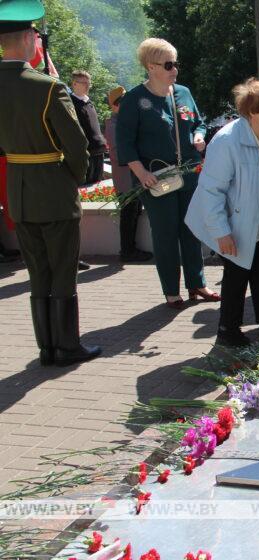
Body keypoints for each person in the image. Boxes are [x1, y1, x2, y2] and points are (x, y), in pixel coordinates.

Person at [0, 0, 101, 367]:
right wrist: (73, 178)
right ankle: (67, 346)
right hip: (54, 191)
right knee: (63, 271)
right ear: (29, 39)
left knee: (38, 273)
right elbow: (76, 146)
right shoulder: (47, 88)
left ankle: (46, 348)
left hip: (19, 192)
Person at [116, 38, 219, 309]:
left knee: (191, 228)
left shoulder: (183, 93)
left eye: (175, 63)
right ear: (151, 67)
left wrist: (199, 135)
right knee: (165, 234)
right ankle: (172, 291)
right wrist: (141, 173)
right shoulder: (134, 99)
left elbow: (198, 122)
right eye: (169, 64)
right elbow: (124, 143)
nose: (175, 69)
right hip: (157, 177)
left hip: (189, 172)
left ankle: (197, 283)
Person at [186, 79, 259, 347]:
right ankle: (228, 330)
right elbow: (211, 190)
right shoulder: (227, 140)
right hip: (234, 223)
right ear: (253, 112)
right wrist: (222, 232)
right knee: (236, 277)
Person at [104, 86, 152, 263]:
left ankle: (130, 249)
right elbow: (119, 154)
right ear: (116, 105)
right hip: (126, 179)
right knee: (128, 214)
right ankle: (127, 251)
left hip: (131, 178)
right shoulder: (114, 125)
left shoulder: (121, 122)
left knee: (134, 212)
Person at [69, 70, 107, 186]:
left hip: (99, 150)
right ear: (74, 84)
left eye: (88, 83)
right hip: (86, 153)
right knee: (85, 188)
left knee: (97, 186)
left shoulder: (89, 102)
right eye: (84, 83)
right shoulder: (70, 104)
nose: (87, 86)